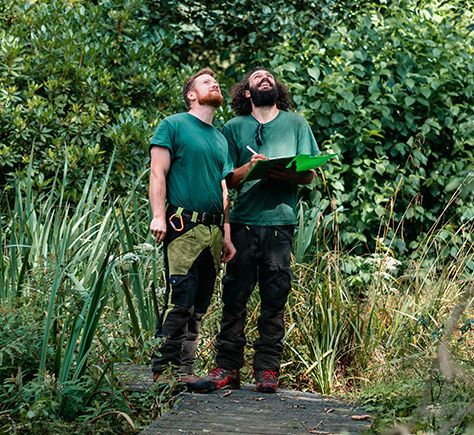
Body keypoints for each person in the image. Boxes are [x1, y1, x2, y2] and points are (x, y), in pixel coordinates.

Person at [189, 68, 319, 393]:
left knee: (275, 297)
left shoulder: (296, 124)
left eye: (269, 77)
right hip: (244, 222)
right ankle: (227, 367)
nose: (265, 79)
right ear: (247, 92)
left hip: (279, 223)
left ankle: (267, 370)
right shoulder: (234, 128)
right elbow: (226, 178)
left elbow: (310, 174)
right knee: (235, 295)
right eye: (257, 77)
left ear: (277, 89)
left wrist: (279, 170)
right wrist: (251, 168)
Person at [149, 68, 236, 381]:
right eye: (205, 82)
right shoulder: (173, 125)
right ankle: (163, 371)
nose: (213, 83)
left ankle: (185, 371)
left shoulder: (220, 138)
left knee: (199, 305)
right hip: (182, 225)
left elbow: (224, 190)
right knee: (181, 301)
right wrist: (158, 216)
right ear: (191, 94)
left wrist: (227, 236)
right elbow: (157, 172)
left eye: (215, 81)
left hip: (213, 232)